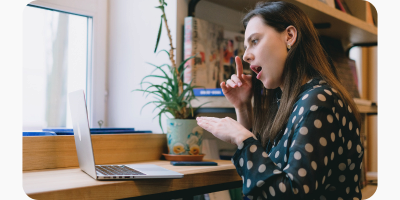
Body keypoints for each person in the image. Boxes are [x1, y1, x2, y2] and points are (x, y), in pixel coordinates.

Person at [196, 1, 364, 199]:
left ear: (289, 36)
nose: (246, 55)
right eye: (245, 46)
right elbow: (266, 174)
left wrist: (242, 138)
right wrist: (242, 108)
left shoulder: (319, 100)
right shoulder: (289, 101)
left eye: (255, 41)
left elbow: (292, 193)